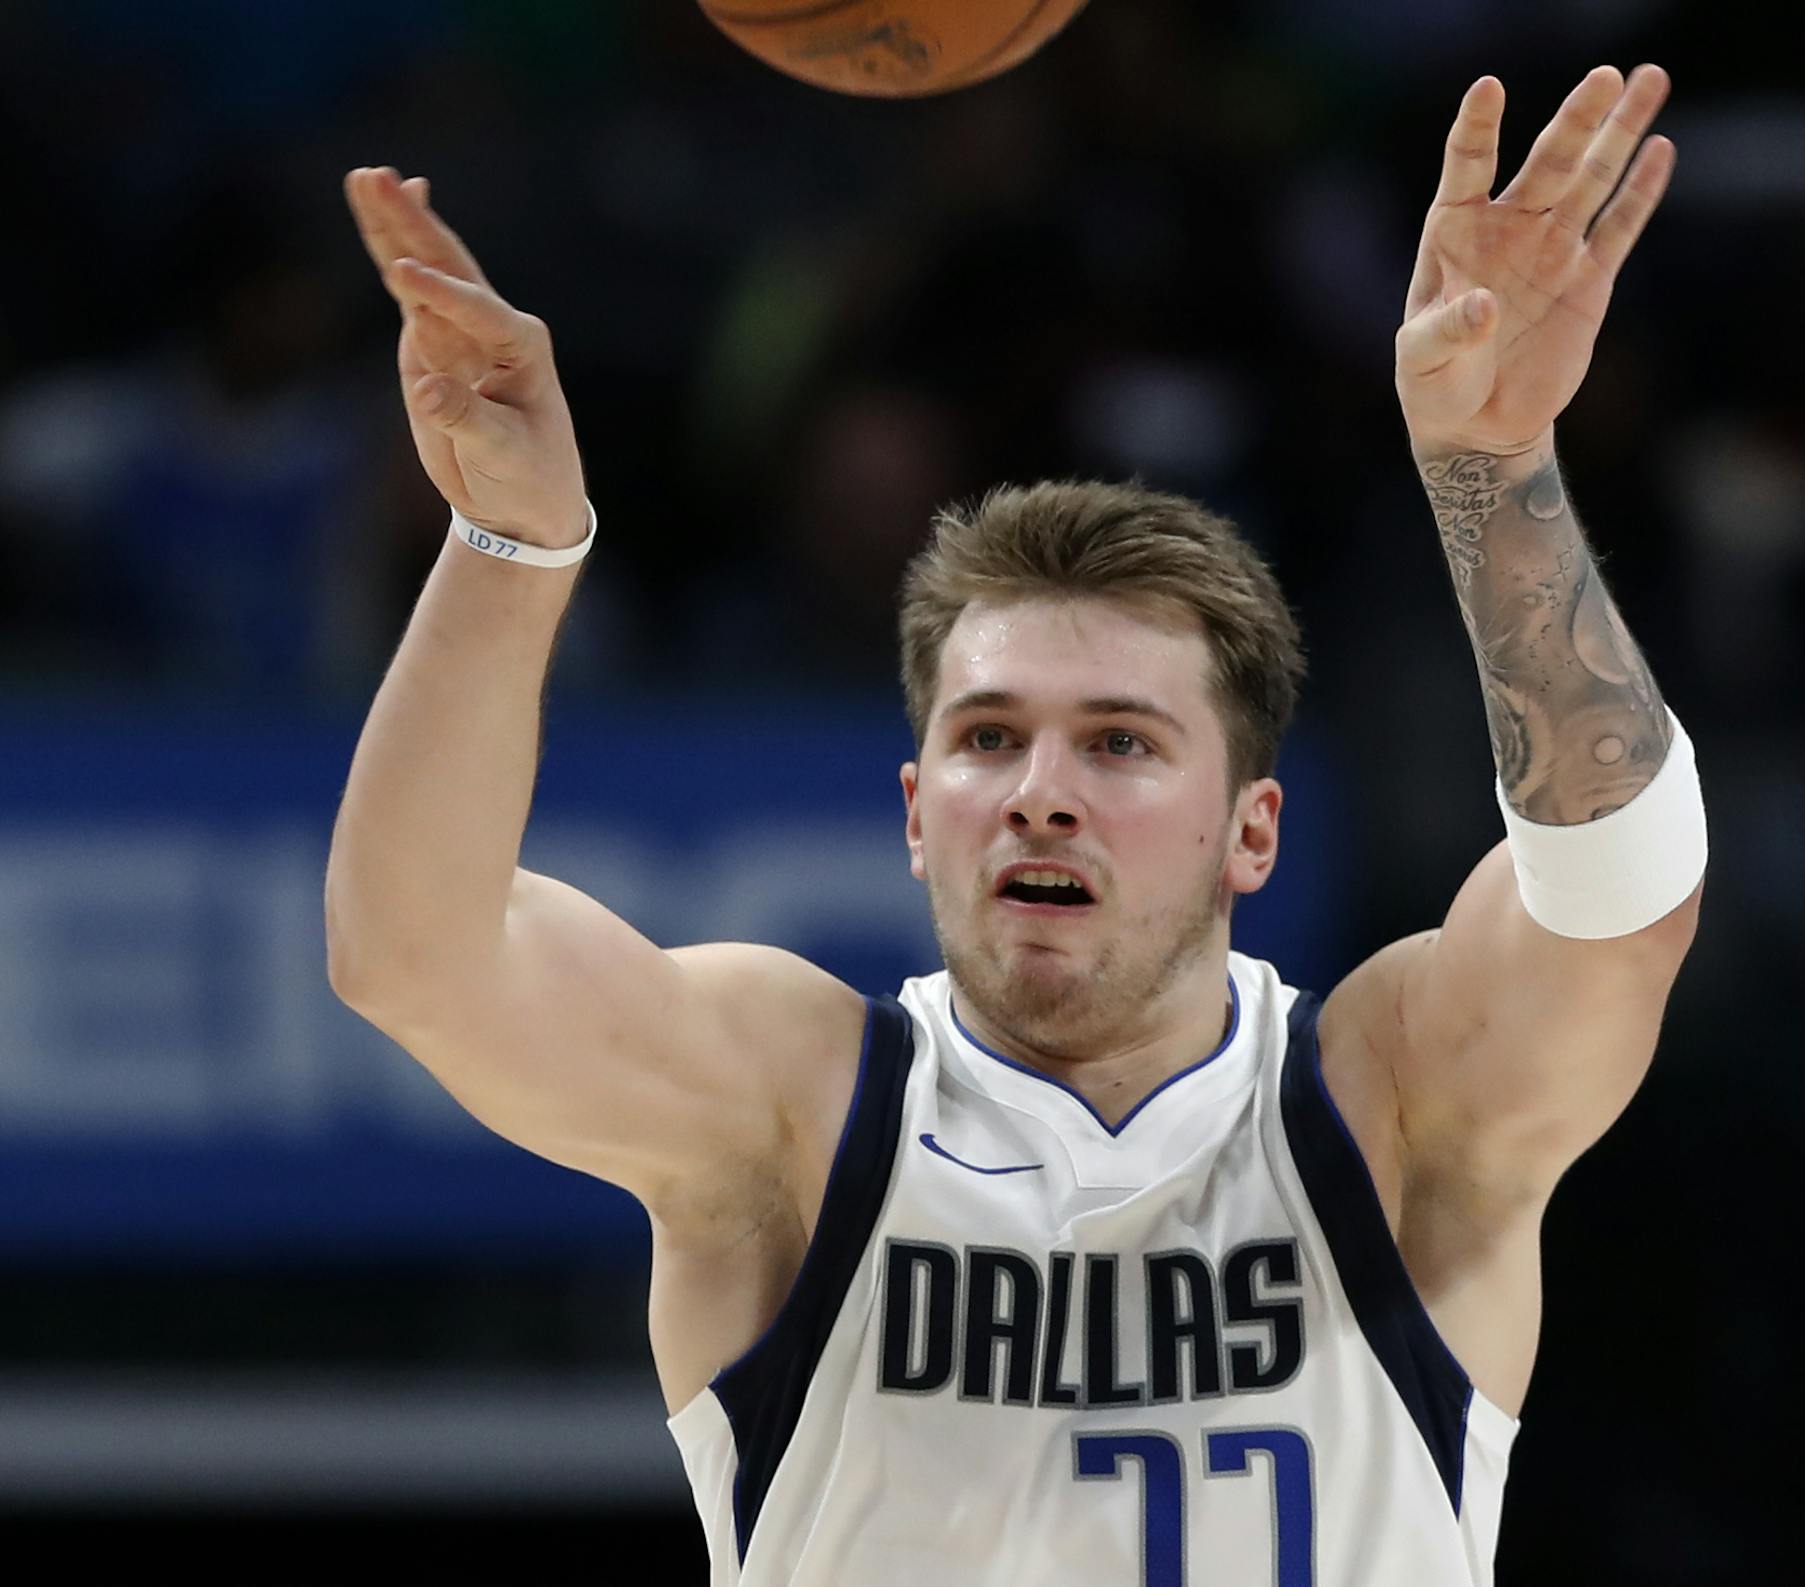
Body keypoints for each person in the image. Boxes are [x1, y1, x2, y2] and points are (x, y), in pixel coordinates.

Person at [326, 62, 1704, 1587]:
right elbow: (413, 954)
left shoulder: (1390, 1103)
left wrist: (1492, 470)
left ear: (1253, 834)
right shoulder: (794, 1111)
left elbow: (1622, 902)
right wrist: (509, 549)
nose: (1042, 787)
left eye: (1120, 742)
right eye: (990, 739)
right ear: (918, 815)